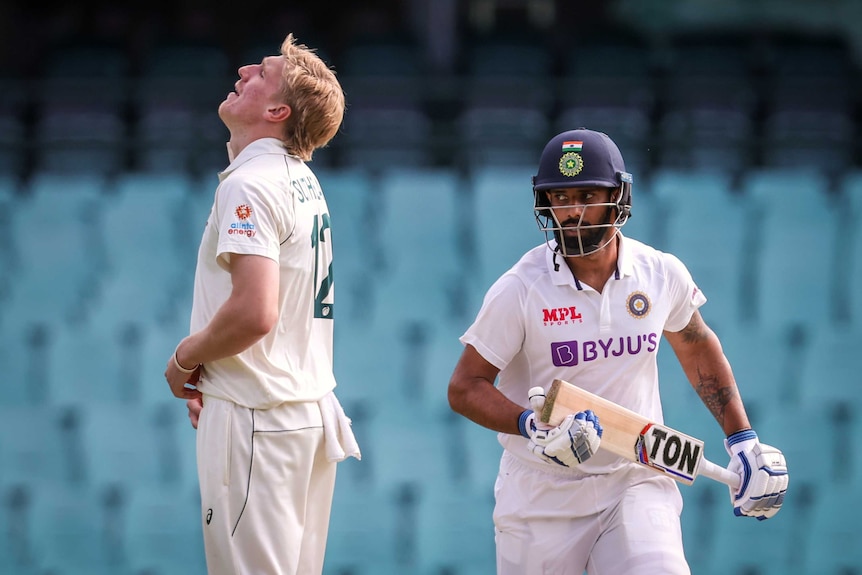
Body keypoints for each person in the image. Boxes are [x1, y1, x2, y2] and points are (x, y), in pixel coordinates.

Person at [447, 128, 788, 574]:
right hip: (540, 492)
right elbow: (464, 387)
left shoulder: (660, 273)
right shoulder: (520, 289)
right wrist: (531, 425)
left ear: (619, 197)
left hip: (637, 475)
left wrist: (742, 438)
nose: (571, 212)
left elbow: (696, 343)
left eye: (587, 195)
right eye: (559, 196)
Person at [164, 33, 360, 575]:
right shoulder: (304, 181)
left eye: (264, 72)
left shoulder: (250, 183)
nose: (246, 68)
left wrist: (186, 359)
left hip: (257, 421)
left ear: (277, 110)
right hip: (303, 417)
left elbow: (255, 313)